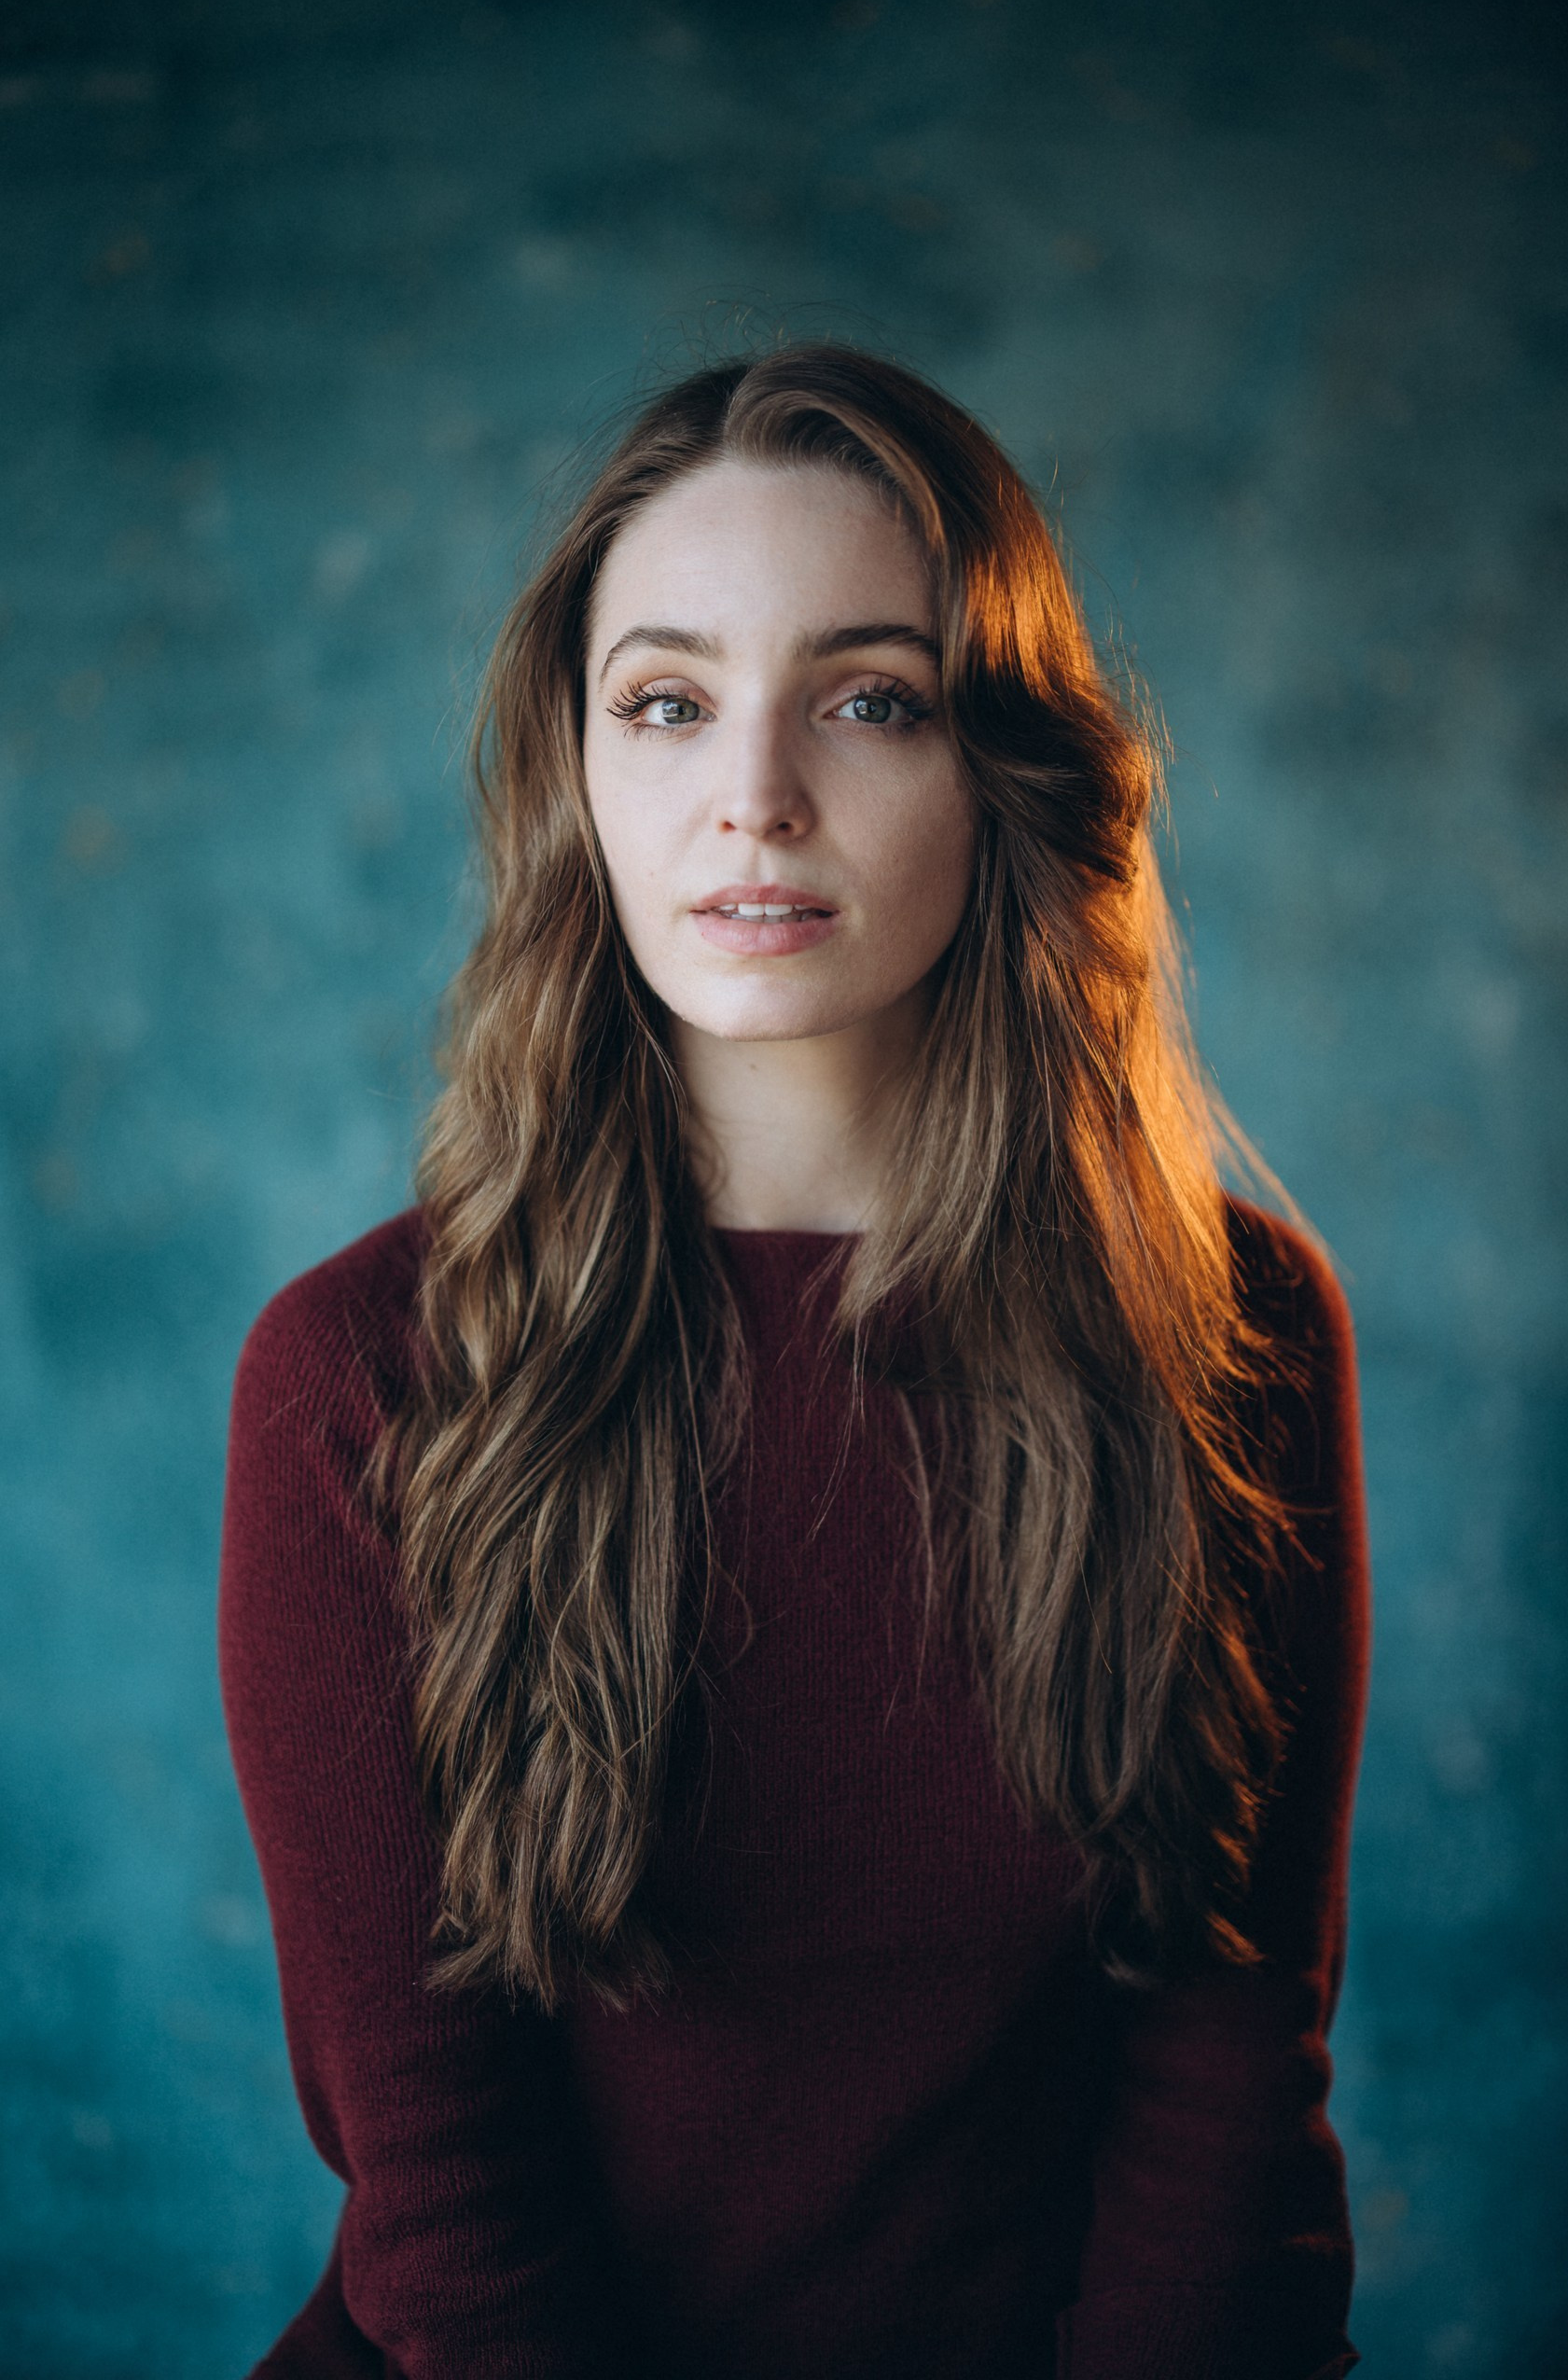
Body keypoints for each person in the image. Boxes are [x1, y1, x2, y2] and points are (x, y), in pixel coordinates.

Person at [219, 343, 1371, 2380]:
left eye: (865, 698)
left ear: (996, 766)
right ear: (575, 772)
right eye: (665, 699)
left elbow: (1219, 2089)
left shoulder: (1235, 1333)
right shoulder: (359, 1375)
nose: (752, 793)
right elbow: (445, 2197)